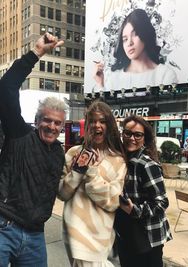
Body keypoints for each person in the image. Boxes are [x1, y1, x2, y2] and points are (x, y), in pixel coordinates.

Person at [0, 33, 66, 266]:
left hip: (36, 235)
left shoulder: (59, 152)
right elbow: (6, 88)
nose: (51, 126)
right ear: (37, 121)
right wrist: (36, 52)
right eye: (47, 120)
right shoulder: (20, 134)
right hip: (4, 228)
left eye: (57, 123)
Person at [58, 100, 127, 267]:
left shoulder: (118, 160)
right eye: (92, 121)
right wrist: (77, 171)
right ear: (87, 125)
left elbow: (112, 202)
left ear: (109, 125)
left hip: (98, 237)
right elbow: (62, 193)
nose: (97, 125)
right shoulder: (73, 152)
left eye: (102, 121)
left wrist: (91, 173)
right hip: (71, 233)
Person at [114, 115, 172, 267]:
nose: (132, 138)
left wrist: (134, 209)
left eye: (137, 135)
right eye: (128, 133)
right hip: (127, 235)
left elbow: (162, 203)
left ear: (144, 138)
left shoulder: (146, 165)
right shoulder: (121, 162)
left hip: (148, 238)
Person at [94, 8, 178, 91]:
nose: (129, 43)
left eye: (135, 34)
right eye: (125, 39)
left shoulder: (165, 75)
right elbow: (103, 104)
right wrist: (100, 84)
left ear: (145, 33)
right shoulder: (114, 77)